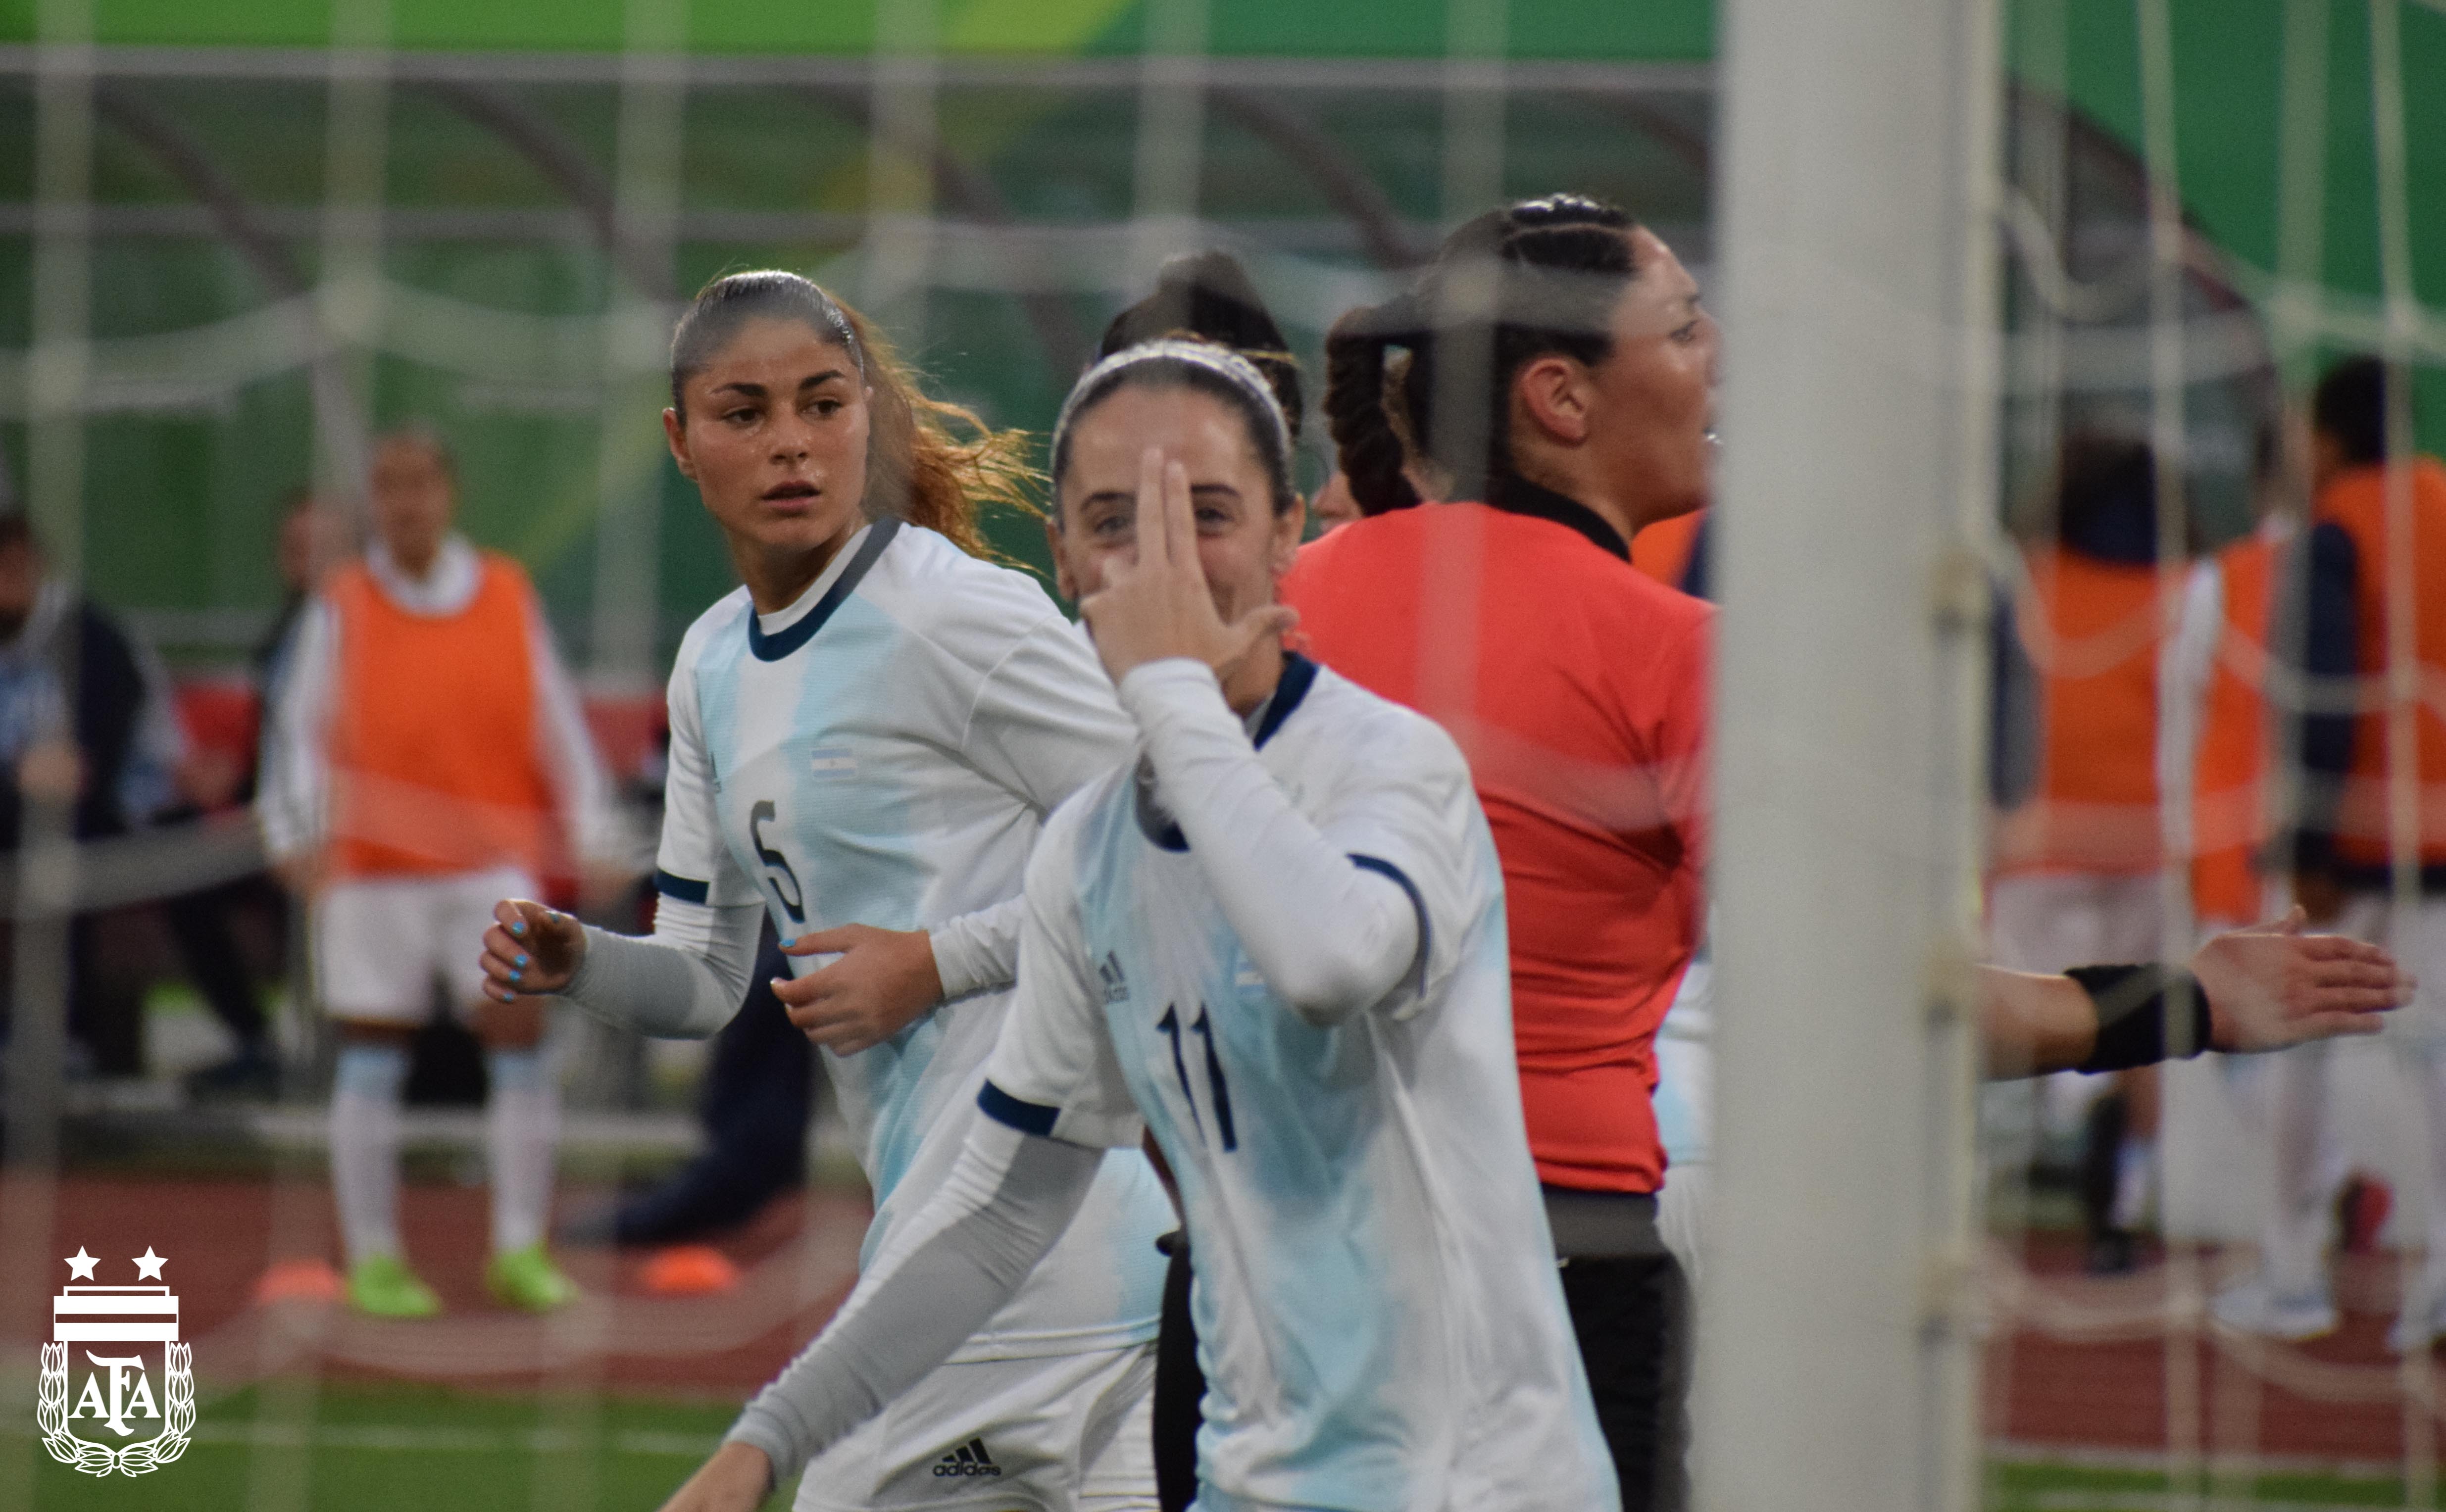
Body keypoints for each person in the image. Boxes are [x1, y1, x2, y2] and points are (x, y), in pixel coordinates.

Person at [543, 335, 1619, 1512]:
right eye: (1112, 523)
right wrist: (763, 1439)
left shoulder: (1391, 766)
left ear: (1284, 539)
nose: (1155, 562)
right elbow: (1001, 1214)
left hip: (1472, 1482)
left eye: (1202, 513)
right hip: (1247, 1475)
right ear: (1061, 558)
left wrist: (1165, 688)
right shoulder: (1088, 852)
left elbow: (1326, 960)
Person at [485, 270, 1172, 1510]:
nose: (791, 442)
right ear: (679, 441)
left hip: (1057, 1246)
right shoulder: (709, 665)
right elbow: (701, 977)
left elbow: (1173, 845)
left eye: (821, 403)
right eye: (744, 413)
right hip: (950, 1260)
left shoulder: (960, 616)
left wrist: (935, 960)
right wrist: (580, 959)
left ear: (869, 417)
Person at [1285, 193, 1712, 1511]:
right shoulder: (1677, 648)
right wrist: (2180, 1003)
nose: (1720, 355)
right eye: (1687, 327)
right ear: (1559, 396)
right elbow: (1862, 1001)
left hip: (1270, 1256)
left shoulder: (1273, 606)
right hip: (1554, 1251)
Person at [258, 425, 627, 1318]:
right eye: (389, 486)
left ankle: (519, 1250)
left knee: (519, 1041)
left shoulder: (504, 592)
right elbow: (299, 733)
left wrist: (594, 828)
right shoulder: (340, 605)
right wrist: (294, 829)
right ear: (371, 503)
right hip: (372, 870)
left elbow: (553, 719)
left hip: (488, 866)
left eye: (420, 483)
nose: (407, 502)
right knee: (373, 1056)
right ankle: (377, 1259)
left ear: (448, 493)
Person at [2270, 354, 2446, 1352]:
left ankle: (2291, 1268)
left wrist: (2306, 841)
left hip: (2367, 834)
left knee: (2299, 1039)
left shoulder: (2336, 525)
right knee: (2434, 1065)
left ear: (2328, 438)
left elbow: (2323, 694)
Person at [1989, 433, 2192, 1273]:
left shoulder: (2027, 579)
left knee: (2033, 1005)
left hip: (2040, 838)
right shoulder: (2180, 592)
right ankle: (2119, 1201)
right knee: (2138, 1013)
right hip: (2145, 838)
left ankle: (2068, 1113)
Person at [0, 515, 273, 1083]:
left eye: (12, 564)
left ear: (34, 564)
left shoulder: (92, 639)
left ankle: (68, 1042)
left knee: (62, 849)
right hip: (26, 814)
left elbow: (86, 772)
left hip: (138, 817)